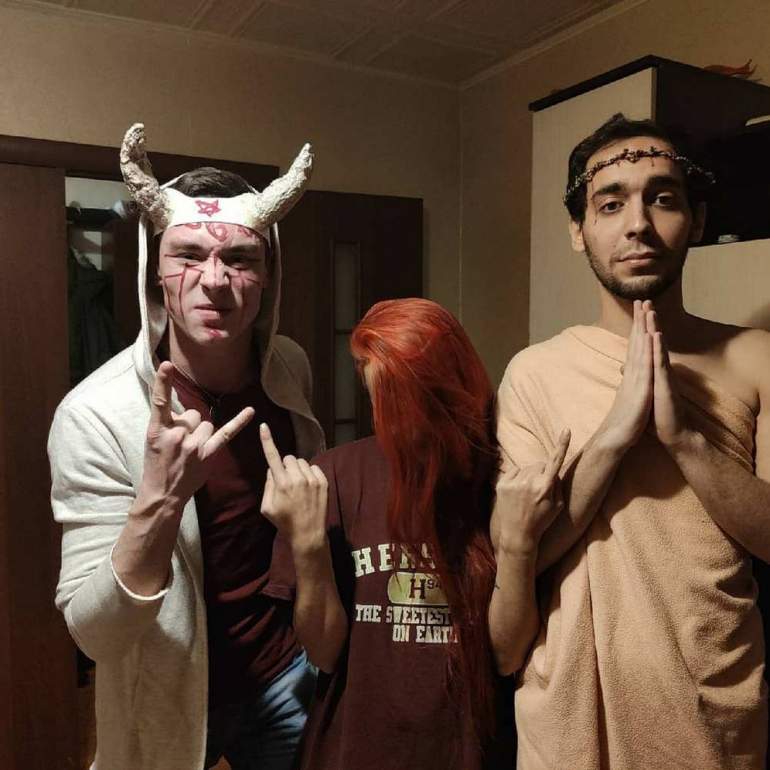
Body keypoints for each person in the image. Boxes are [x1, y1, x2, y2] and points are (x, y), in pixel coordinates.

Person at [497, 113, 769, 769]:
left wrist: (685, 438)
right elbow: (524, 557)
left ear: (697, 222)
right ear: (578, 230)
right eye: (611, 204)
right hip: (568, 715)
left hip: (713, 706)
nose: (638, 224)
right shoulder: (534, 373)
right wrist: (613, 438)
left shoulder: (755, 357)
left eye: (663, 199)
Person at [48, 123, 324, 770]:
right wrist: (160, 501)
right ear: (155, 270)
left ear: (268, 275)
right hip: (165, 694)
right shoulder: (94, 415)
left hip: (286, 675)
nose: (215, 280)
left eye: (240, 259)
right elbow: (94, 635)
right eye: (189, 255)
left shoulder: (290, 367)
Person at [259, 297, 571, 770]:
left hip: (466, 751)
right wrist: (307, 545)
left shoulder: (500, 481)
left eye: (406, 399)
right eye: (381, 401)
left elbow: (506, 657)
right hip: (353, 750)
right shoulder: (334, 478)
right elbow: (324, 653)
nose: (395, 420)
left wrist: (518, 545)